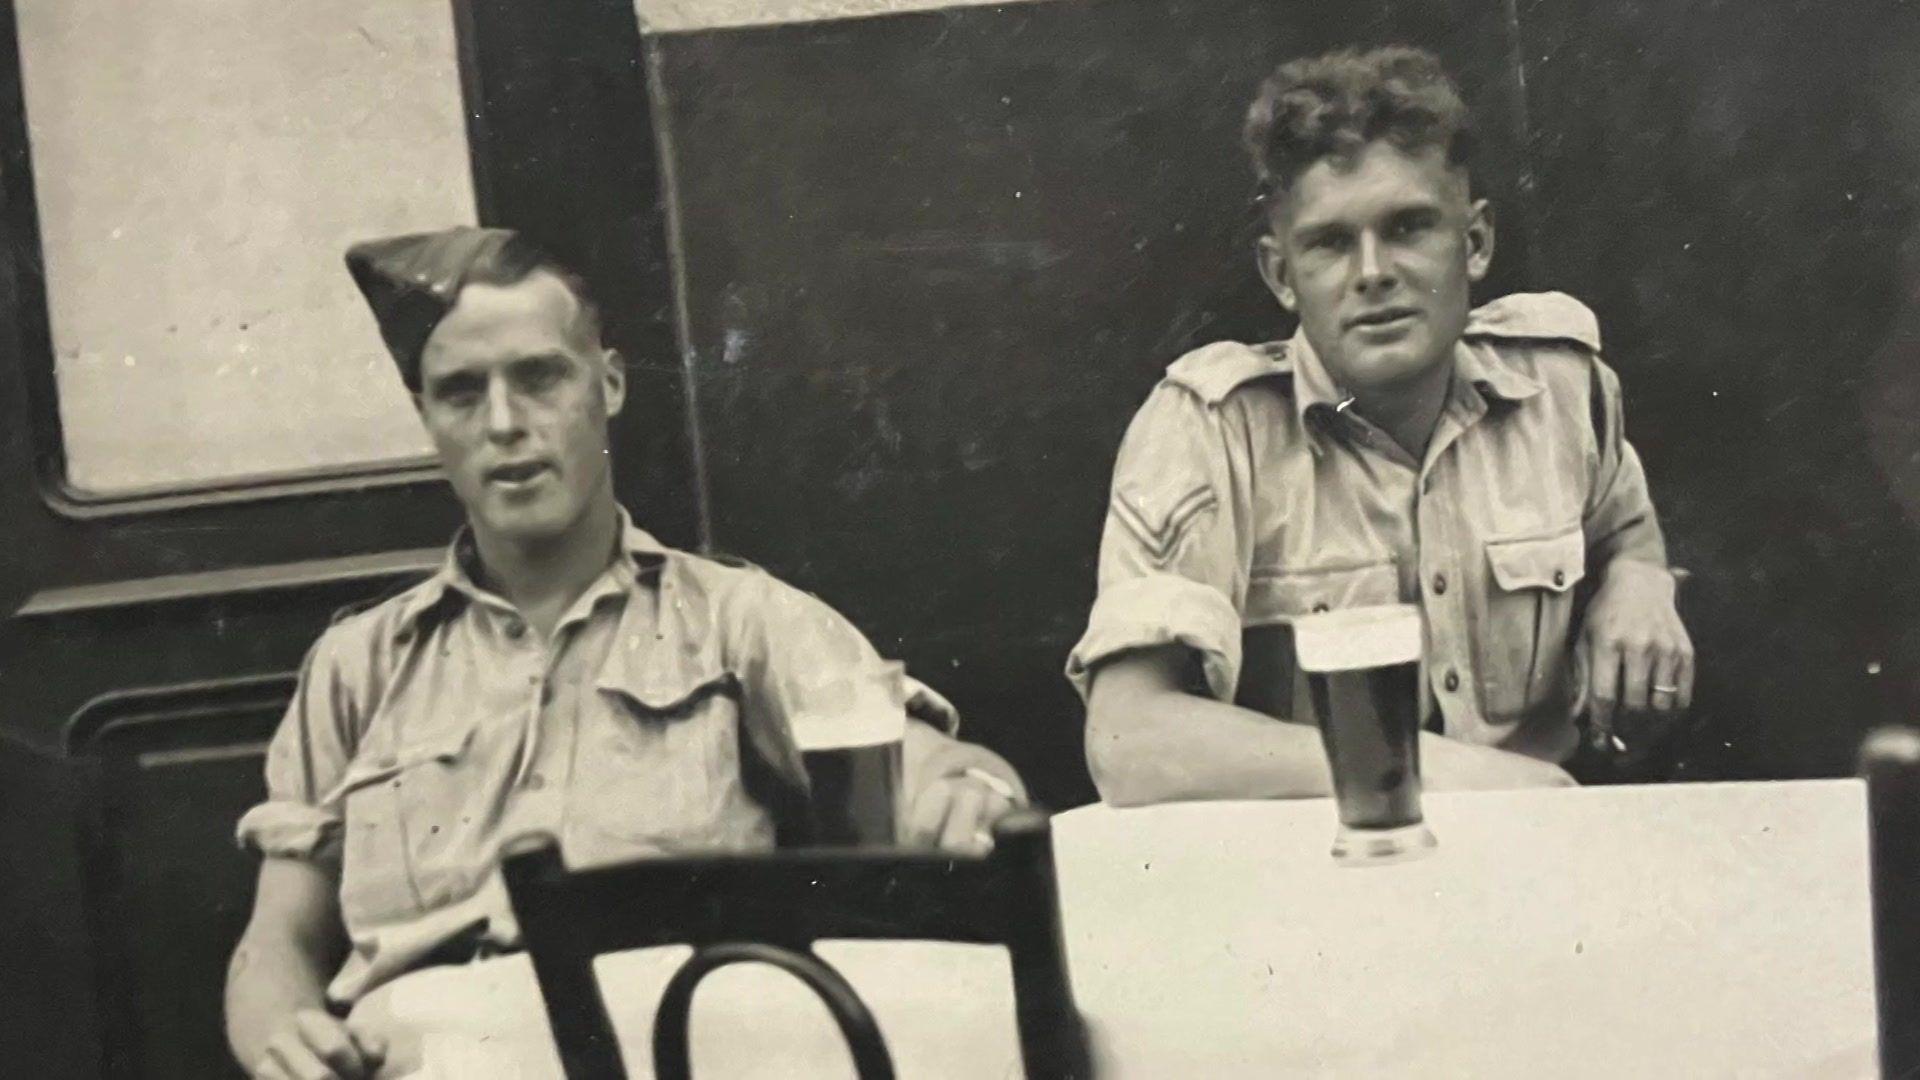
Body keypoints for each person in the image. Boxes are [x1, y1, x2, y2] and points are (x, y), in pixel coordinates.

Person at [224, 227, 1027, 1079]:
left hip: (673, 1048)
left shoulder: (737, 622)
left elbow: (933, 770)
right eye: (461, 393)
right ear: (426, 416)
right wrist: (286, 1037)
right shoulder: (359, 667)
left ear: (605, 385)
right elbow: (278, 942)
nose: (505, 424)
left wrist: (964, 795)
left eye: (540, 378)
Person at [1068, 46, 1694, 806]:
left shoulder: (1560, 388)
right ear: (1280, 275)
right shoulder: (1210, 432)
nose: (1372, 272)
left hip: (1538, 857)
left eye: (1408, 228)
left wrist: (1640, 581)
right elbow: (1128, 740)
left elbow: (1624, 527)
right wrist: (1438, 772)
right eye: (1331, 243)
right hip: (1310, 876)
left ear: (1475, 243)